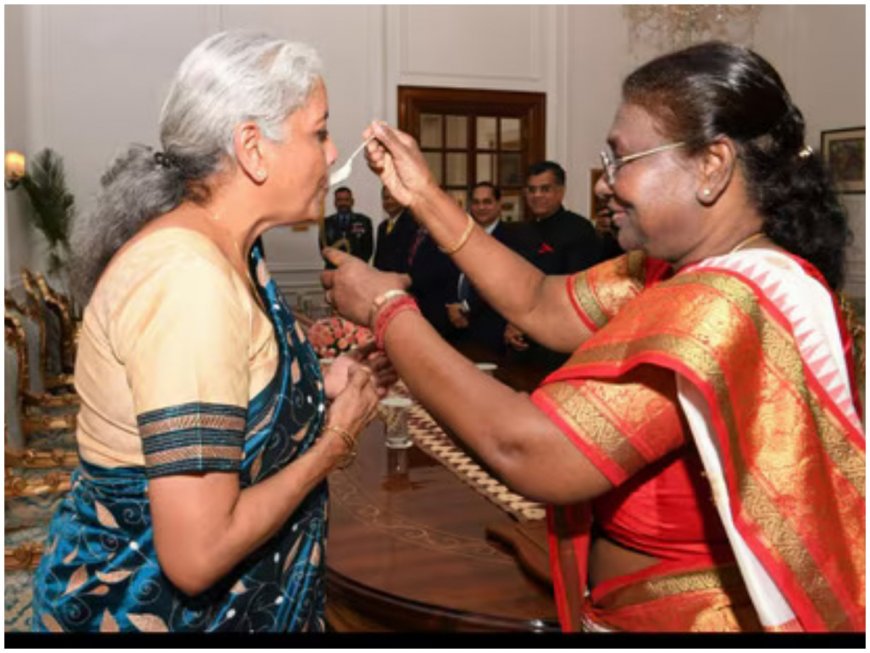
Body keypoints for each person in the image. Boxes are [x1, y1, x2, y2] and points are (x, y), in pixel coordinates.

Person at [323, 41, 864, 632]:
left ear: (711, 166)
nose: (605, 185)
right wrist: (424, 195)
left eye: (622, 159)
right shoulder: (675, 268)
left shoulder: (726, 303)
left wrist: (387, 309)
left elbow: (531, 449)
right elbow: (540, 301)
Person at [31, 31, 394, 633]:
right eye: (319, 131)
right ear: (252, 147)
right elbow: (198, 556)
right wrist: (336, 440)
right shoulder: (188, 282)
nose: (331, 154)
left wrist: (311, 381)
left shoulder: (230, 249)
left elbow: (237, 384)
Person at [446, 182, 534, 356]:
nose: (481, 207)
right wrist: (452, 305)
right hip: (458, 327)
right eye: (476, 202)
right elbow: (451, 273)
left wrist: (466, 306)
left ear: (499, 204)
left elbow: (503, 282)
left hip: (493, 325)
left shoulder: (512, 238)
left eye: (487, 202)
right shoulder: (463, 234)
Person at [320, 186, 373, 268]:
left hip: (357, 270)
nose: (343, 203)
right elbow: (323, 250)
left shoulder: (364, 221)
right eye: (339, 200)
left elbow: (368, 249)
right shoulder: (326, 223)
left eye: (346, 200)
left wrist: (354, 266)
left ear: (352, 201)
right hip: (333, 270)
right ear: (335, 202)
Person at [372, 185, 418, 274]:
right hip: (383, 280)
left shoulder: (412, 224)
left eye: (393, 197)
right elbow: (378, 258)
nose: (389, 201)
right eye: (386, 198)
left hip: (403, 280)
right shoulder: (382, 227)